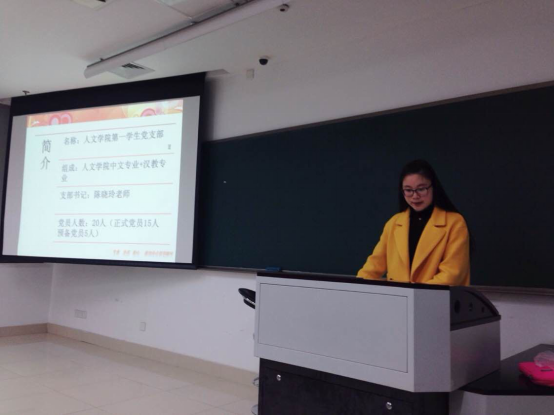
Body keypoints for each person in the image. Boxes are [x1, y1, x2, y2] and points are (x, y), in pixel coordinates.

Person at [357, 160, 470, 286]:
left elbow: (452, 274)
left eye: (421, 189)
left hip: (437, 297)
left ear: (433, 187)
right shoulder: (394, 223)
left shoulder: (454, 222)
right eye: (408, 190)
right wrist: (356, 287)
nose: (415, 196)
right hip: (400, 297)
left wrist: (416, 294)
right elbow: (373, 265)